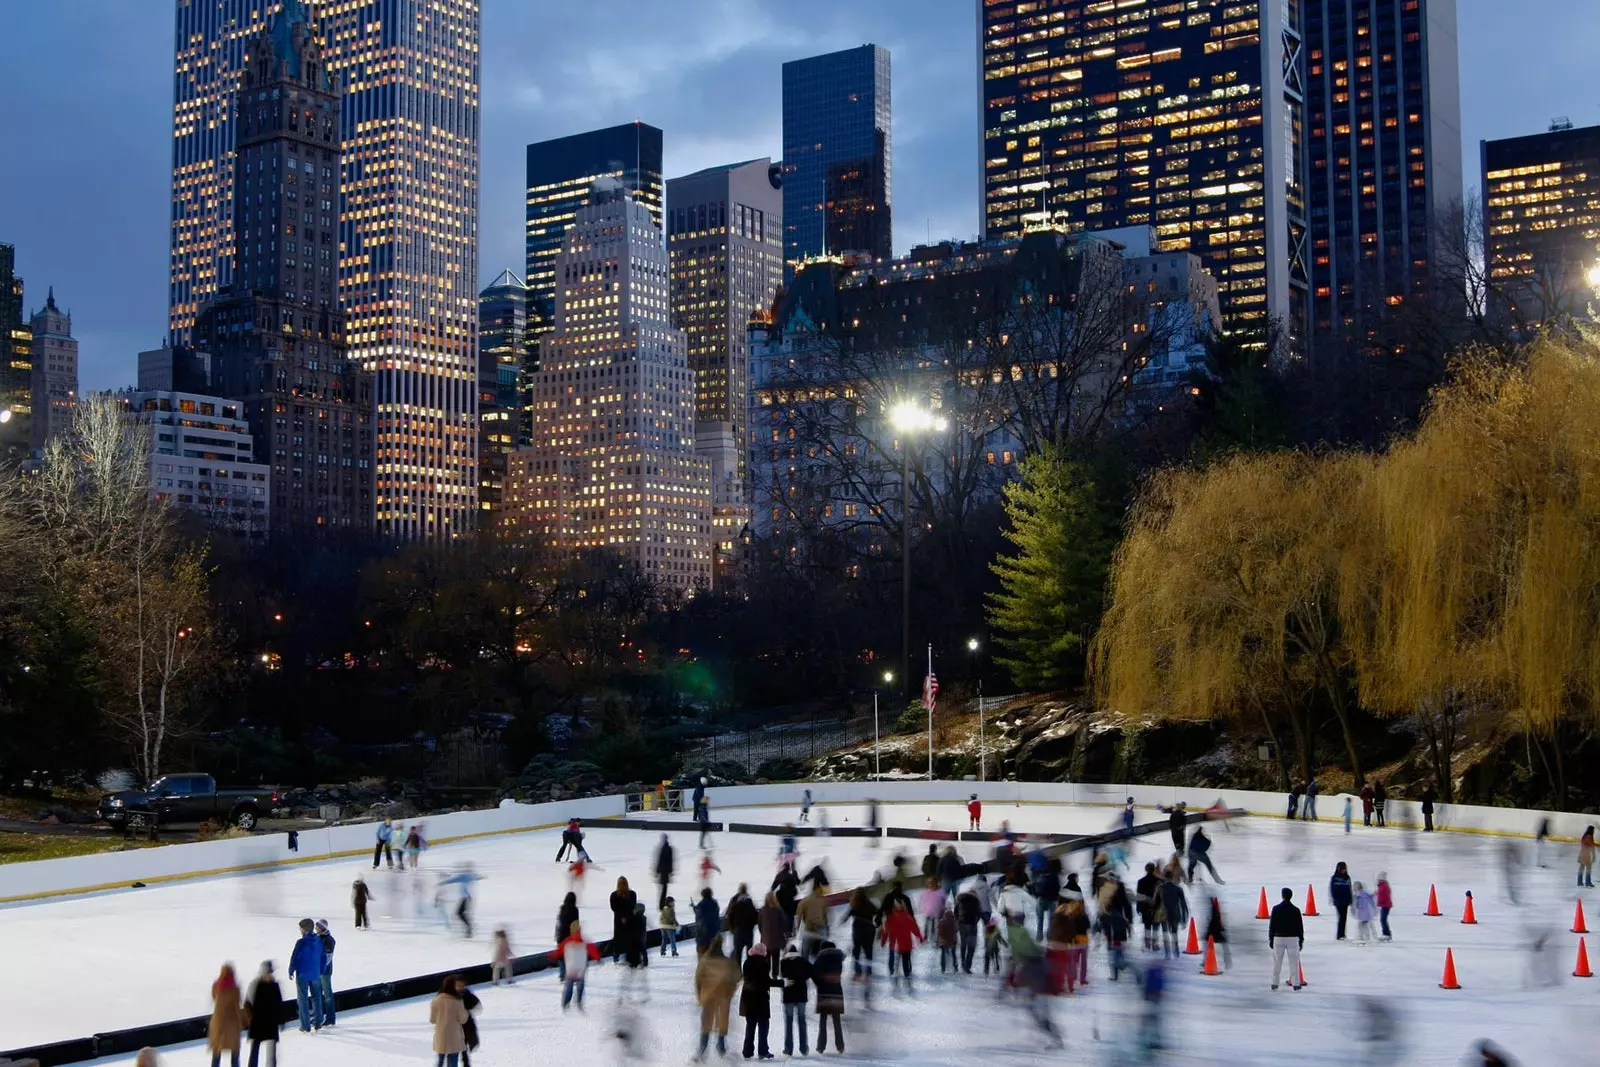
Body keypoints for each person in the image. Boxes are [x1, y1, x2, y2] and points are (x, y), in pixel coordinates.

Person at [693, 940, 740, 1062]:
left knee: (706, 1023)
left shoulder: (704, 961)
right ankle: (721, 1047)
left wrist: (700, 996)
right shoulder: (727, 962)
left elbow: (698, 979)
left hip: (708, 996)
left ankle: (702, 1050)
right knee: (722, 1022)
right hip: (723, 997)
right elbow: (736, 977)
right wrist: (731, 992)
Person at [286, 918, 325, 1032]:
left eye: (300, 928)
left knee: (302, 999)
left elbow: (295, 957)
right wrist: (321, 970)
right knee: (317, 997)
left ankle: (305, 1025)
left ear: (304, 929)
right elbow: (323, 957)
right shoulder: (318, 941)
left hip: (303, 974)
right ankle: (318, 1022)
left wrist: (291, 970)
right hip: (315, 973)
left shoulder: (301, 942)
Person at [243, 961, 283, 1067]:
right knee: (255, 1051)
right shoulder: (255, 985)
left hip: (271, 1023)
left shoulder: (274, 985)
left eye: (271, 973)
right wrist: (249, 1018)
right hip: (258, 1023)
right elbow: (247, 1003)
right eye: (268, 973)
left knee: (271, 1054)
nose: (269, 975)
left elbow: (279, 1003)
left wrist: (281, 1019)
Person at [553, 920, 599, 1009]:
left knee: (569, 986)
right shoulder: (584, 942)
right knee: (580, 986)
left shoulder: (567, 941)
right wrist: (597, 958)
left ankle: (566, 1003)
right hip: (581, 967)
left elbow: (559, 952)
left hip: (571, 968)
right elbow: (593, 950)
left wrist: (553, 956)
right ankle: (578, 1001)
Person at [880, 897, 924, 988]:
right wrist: (920, 938)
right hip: (907, 944)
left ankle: (895, 977)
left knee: (896, 962)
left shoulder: (890, 919)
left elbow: (886, 932)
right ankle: (907, 977)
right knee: (906, 961)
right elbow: (915, 929)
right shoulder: (908, 917)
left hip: (896, 945)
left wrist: (883, 941)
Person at [811, 939, 846, 1054]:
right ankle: (840, 1046)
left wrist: (819, 984)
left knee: (823, 1020)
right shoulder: (838, 959)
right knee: (837, 1020)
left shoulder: (821, 958)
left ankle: (821, 1046)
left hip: (824, 991)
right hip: (836, 990)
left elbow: (814, 973)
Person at [740, 942, 773, 1059]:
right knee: (763, 1026)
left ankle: (747, 1052)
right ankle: (763, 1051)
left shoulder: (747, 963)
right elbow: (766, 981)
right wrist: (781, 983)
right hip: (760, 1000)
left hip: (747, 999)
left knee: (750, 1026)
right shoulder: (762, 964)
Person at [1268, 887, 1305, 990]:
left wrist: (1271, 939)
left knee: (1277, 961)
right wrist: (1301, 940)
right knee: (1294, 962)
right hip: (1292, 938)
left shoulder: (1276, 909)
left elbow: (1272, 925)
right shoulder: (1296, 910)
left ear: (1282, 896)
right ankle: (1296, 983)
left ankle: (1275, 983)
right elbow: (1300, 927)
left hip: (1278, 937)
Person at [778, 942, 811, 1056]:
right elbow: (809, 973)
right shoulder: (803, 961)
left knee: (789, 1022)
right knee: (802, 1021)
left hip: (788, 996)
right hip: (801, 995)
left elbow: (782, 975)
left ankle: (788, 1049)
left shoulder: (783, 962)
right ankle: (804, 1048)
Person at [208, 963, 244, 1067]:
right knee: (235, 1053)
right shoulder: (235, 989)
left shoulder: (216, 986)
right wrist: (241, 1021)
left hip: (218, 1023)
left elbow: (214, 998)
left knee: (217, 1052)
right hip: (231, 1025)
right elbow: (237, 1006)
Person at [429, 975, 468, 1067]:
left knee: (440, 1061)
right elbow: (463, 1020)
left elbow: (432, 1020)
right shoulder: (458, 1001)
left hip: (441, 1036)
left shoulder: (435, 1001)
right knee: (453, 1062)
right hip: (454, 1037)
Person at [1101, 877, 1134, 980]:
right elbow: (1128, 907)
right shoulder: (1122, 894)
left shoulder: (1108, 894)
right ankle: (1120, 963)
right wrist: (1129, 921)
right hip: (1120, 924)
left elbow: (1103, 908)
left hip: (1111, 924)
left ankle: (1116, 969)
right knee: (1118, 948)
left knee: (1113, 949)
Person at [728, 883, 760, 967]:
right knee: (749, 953)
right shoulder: (750, 903)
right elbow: (755, 917)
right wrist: (751, 926)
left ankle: (739, 973)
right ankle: (748, 972)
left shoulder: (734, 903)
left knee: (738, 954)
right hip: (748, 931)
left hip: (738, 931)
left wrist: (733, 929)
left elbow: (729, 916)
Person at [796, 882, 830, 961]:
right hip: (821, 931)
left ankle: (805, 968)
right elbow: (825, 917)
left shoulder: (804, 901)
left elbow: (798, 916)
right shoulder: (823, 901)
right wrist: (827, 930)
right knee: (822, 954)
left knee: (804, 954)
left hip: (809, 931)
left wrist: (797, 928)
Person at [1158, 872, 1188, 960]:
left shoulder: (1160, 888)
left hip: (1164, 914)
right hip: (1175, 913)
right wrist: (1184, 916)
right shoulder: (1178, 889)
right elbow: (1183, 904)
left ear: (1165, 878)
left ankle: (1167, 953)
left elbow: (1156, 903)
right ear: (1172, 878)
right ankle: (1176, 951)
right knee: (1174, 933)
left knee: (1165, 933)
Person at [610, 876, 639, 963]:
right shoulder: (632, 894)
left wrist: (622, 916)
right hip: (628, 919)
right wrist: (626, 916)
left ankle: (616, 957)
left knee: (618, 939)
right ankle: (628, 956)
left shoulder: (614, 895)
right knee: (628, 938)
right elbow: (633, 906)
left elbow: (614, 907)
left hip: (619, 920)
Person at [314, 919, 337, 1026]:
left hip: (324, 972)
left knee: (327, 995)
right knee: (317, 994)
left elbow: (328, 957)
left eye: (317, 927)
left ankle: (330, 1018)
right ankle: (318, 1017)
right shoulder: (318, 938)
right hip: (317, 971)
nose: (315, 929)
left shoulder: (329, 940)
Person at [1135, 861, 1161, 952]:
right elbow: (1160, 896)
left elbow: (1139, 896)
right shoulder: (1158, 881)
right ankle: (1154, 943)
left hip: (1145, 906)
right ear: (1153, 870)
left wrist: (1138, 908)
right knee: (1155, 926)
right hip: (1156, 907)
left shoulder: (1141, 881)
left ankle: (1147, 942)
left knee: (1147, 926)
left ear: (1146, 870)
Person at [456, 977, 481, 1067]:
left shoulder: (467, 994)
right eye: (458, 985)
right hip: (454, 1027)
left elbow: (477, 1005)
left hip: (465, 1027)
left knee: (463, 1049)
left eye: (461, 985)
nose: (459, 987)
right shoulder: (451, 996)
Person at [1330, 861, 1354, 940]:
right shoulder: (1335, 878)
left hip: (1346, 901)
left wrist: (1350, 899)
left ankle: (1343, 934)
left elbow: (1349, 889)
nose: (1343, 870)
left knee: (1344, 918)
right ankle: (1340, 935)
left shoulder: (1347, 877)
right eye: (1342, 869)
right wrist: (1335, 899)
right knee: (1341, 918)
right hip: (1339, 901)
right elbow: (1333, 890)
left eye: (1344, 869)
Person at [695, 887, 723, 954]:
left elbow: (700, 920)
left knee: (702, 957)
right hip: (715, 935)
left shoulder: (701, 905)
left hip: (703, 937)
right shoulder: (715, 904)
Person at [556, 891, 580, 958]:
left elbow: (559, 923)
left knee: (561, 958)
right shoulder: (574, 910)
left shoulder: (562, 908)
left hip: (560, 937)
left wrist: (557, 936)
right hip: (569, 939)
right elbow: (575, 925)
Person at [654, 832, 675, 910]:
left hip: (663, 871)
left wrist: (657, 871)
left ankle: (661, 905)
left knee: (663, 889)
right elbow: (670, 860)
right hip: (665, 872)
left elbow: (660, 860)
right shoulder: (668, 848)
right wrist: (671, 871)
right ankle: (661, 905)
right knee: (664, 889)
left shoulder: (663, 848)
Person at [1376, 871, 1394, 941]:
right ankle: (1386, 933)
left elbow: (1384, 895)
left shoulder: (1383, 886)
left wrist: (1380, 902)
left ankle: (1386, 934)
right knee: (1383, 919)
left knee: (1383, 919)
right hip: (1384, 905)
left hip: (1385, 905)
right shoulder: (1382, 885)